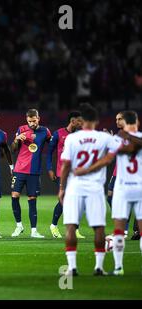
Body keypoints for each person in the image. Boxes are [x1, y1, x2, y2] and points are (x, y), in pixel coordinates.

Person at [58, 104, 132, 276]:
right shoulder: (104, 138)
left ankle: (72, 267)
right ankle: (98, 267)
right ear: (97, 121)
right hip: (95, 188)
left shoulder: (71, 139)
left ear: (82, 121)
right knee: (99, 228)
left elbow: (66, 164)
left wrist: (62, 188)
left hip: (75, 187)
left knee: (71, 227)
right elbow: (120, 151)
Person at [74, 110, 142, 276]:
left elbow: (107, 159)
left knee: (118, 231)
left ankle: (118, 267)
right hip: (139, 187)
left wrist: (88, 169)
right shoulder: (135, 137)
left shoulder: (118, 139)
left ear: (125, 122)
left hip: (122, 188)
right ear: (137, 122)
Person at [10, 109, 51, 238]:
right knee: (15, 196)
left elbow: (53, 145)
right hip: (19, 169)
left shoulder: (45, 131)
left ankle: (34, 231)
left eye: (34, 121)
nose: (32, 123)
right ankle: (19, 226)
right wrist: (16, 139)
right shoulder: (21, 129)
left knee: (32, 199)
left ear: (38, 118)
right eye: (29, 121)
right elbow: (13, 149)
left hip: (34, 171)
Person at [46, 110, 85, 239]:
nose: (81, 123)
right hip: (61, 172)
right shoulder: (58, 134)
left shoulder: (80, 135)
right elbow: (49, 152)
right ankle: (54, 225)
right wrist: (49, 169)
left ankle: (75, 229)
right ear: (72, 121)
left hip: (76, 173)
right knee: (67, 199)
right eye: (79, 121)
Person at [106, 112, 140, 240]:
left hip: (129, 177)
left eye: (119, 119)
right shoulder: (123, 137)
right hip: (118, 173)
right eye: (116, 119)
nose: (117, 121)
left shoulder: (125, 138)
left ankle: (126, 229)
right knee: (110, 197)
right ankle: (125, 227)